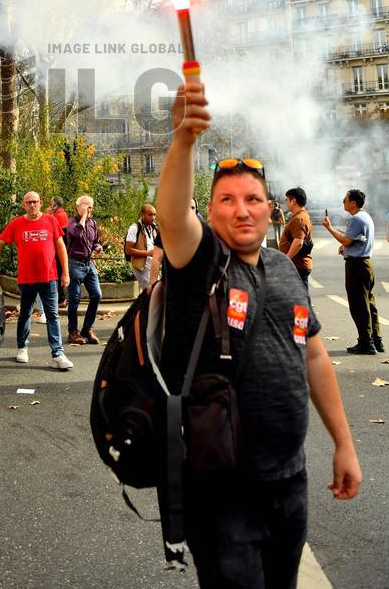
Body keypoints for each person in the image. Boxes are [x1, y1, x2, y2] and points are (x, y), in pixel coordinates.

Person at [157, 80, 361, 589]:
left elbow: (313, 357)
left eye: (252, 198)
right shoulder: (198, 263)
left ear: (271, 209)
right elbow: (171, 216)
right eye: (226, 199)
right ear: (209, 211)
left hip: (290, 482)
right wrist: (183, 140)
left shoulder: (286, 269)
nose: (241, 209)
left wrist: (343, 442)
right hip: (220, 492)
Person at [0, 191, 73, 370]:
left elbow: (61, 246)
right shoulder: (16, 223)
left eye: (35, 201)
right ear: (23, 205)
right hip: (27, 278)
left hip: (49, 277)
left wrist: (65, 272)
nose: (32, 205)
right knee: (25, 314)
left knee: (52, 315)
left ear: (41, 203)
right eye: (28, 202)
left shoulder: (50, 220)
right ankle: (22, 347)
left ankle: (58, 354)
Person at [323, 190, 384, 354]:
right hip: (365, 264)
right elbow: (356, 240)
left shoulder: (356, 219)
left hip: (357, 265)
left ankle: (366, 342)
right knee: (369, 303)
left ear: (353, 203)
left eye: (345, 199)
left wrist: (329, 228)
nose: (343, 201)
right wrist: (345, 247)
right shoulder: (365, 216)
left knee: (359, 305)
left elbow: (347, 240)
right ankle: (376, 340)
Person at [65, 195, 103, 345]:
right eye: (86, 207)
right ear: (78, 207)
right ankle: (72, 332)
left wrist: (97, 247)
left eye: (91, 207)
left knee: (97, 295)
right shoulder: (72, 222)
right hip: (75, 263)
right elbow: (77, 233)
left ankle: (87, 329)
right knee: (74, 299)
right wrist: (83, 217)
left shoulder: (92, 223)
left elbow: (95, 241)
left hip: (88, 263)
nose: (89, 210)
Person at [279, 187, 314, 292]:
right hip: (297, 264)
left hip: (297, 265)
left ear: (293, 201)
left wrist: (287, 259)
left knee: (299, 298)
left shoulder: (299, 219)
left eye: (287, 200)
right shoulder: (300, 216)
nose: (285, 202)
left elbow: (298, 242)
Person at [125, 203, 157, 290]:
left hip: (153, 267)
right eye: (150, 215)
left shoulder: (153, 228)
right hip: (141, 268)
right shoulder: (134, 228)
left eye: (154, 215)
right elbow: (128, 250)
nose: (153, 217)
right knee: (152, 292)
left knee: (156, 292)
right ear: (142, 215)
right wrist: (148, 253)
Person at [47, 197, 70, 308]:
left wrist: (48, 214)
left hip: (58, 250)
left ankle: (61, 299)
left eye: (51, 204)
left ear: (56, 205)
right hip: (59, 248)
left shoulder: (58, 216)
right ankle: (60, 298)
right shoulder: (61, 214)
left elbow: (49, 228)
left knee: (58, 272)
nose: (50, 206)